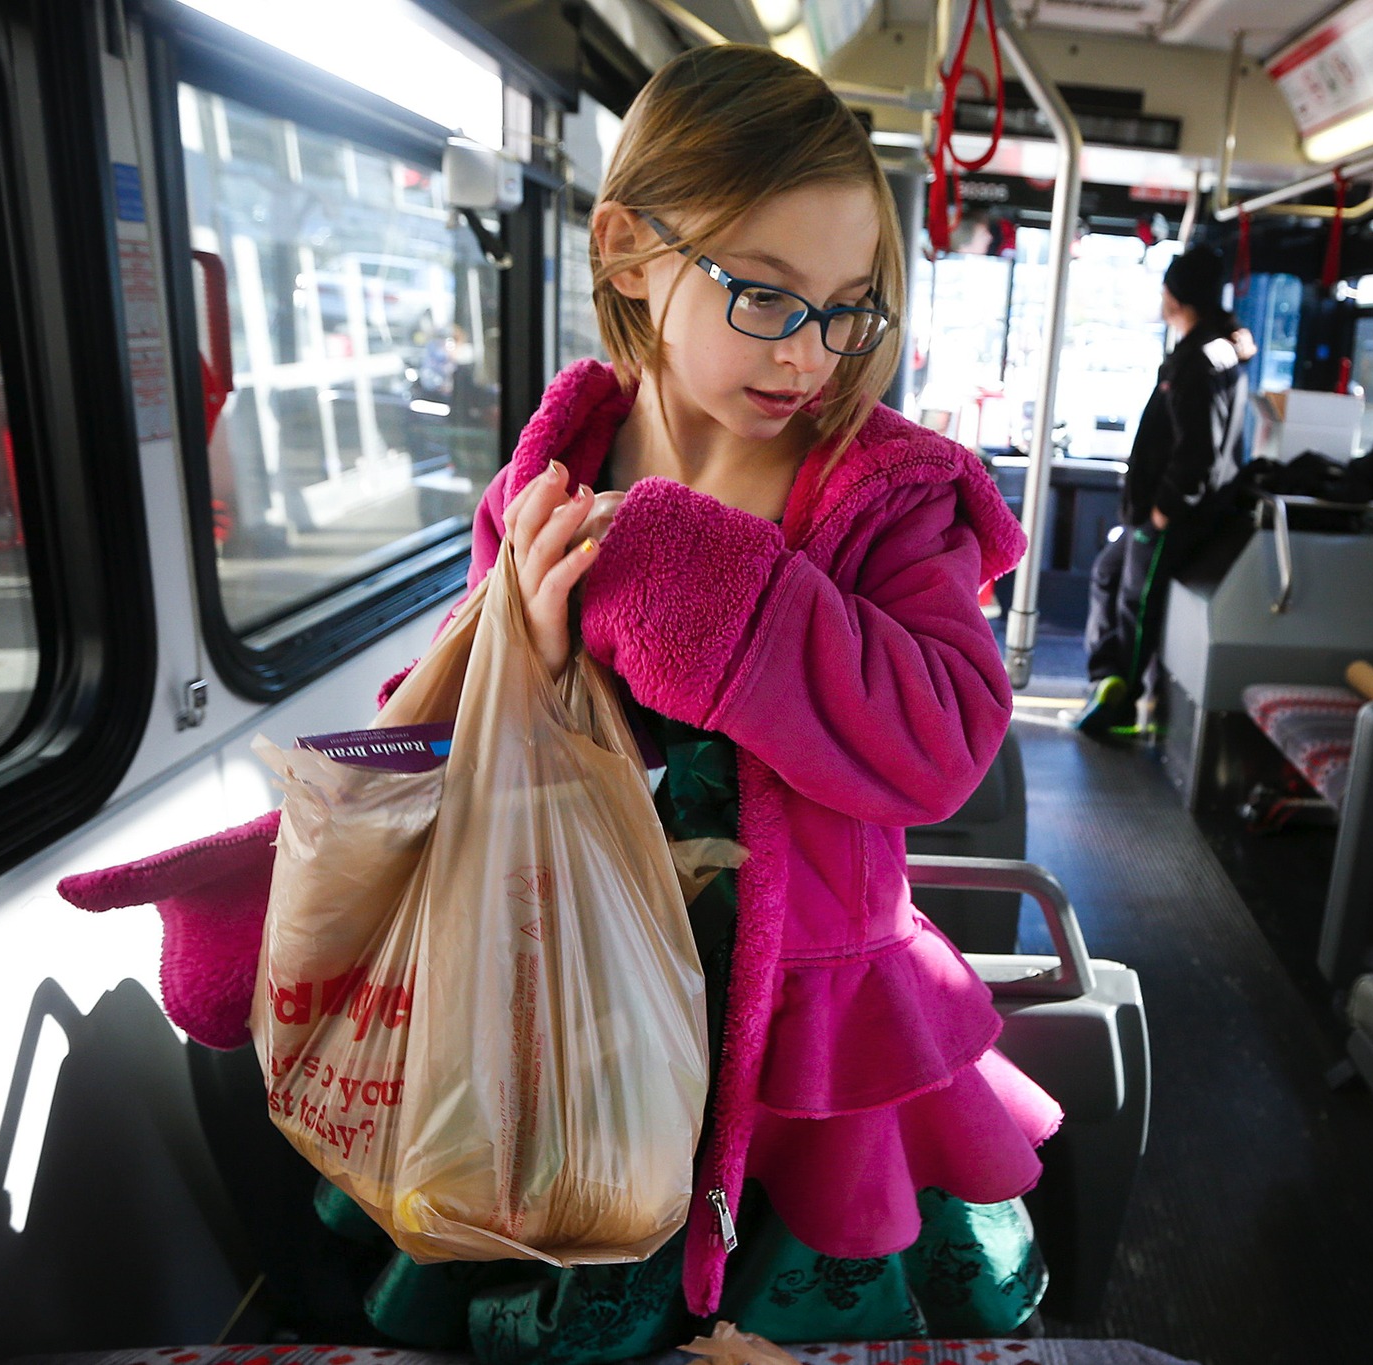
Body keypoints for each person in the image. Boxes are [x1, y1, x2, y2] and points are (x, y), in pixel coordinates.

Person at [60, 44, 1058, 1362]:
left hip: (809, 1040)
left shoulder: (890, 498)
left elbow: (937, 742)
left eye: (849, 307)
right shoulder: (548, 480)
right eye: (765, 296)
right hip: (574, 1019)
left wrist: (717, 598)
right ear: (631, 248)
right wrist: (522, 654)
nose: (814, 353)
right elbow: (462, 745)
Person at [1072, 244, 1255, 737]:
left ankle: (1121, 707)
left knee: (1138, 598)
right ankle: (1105, 678)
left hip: (1174, 514)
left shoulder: (1197, 363)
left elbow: (1197, 453)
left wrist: (1162, 513)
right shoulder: (1217, 345)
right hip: (1158, 510)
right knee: (1107, 574)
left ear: (1177, 297)